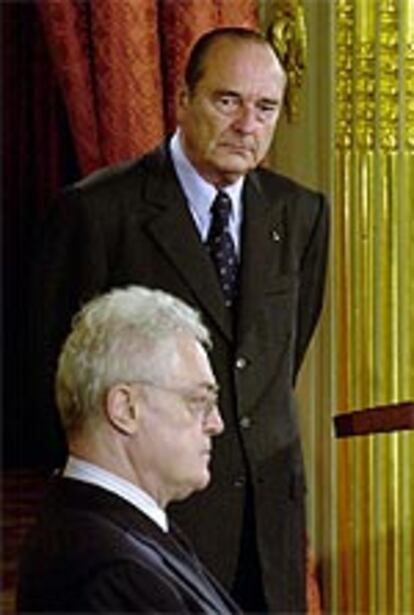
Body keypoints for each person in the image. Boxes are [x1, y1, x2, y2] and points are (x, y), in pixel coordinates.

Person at [32, 27, 329, 613]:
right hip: (157, 524)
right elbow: (59, 383)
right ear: (183, 99)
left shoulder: (302, 214)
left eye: (265, 108)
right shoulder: (98, 212)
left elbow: (273, 364)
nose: (247, 124)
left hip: (271, 522)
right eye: (227, 101)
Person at [18, 285, 242, 613]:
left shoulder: (118, 527)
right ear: (125, 408)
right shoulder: (111, 570)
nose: (216, 423)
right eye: (198, 401)